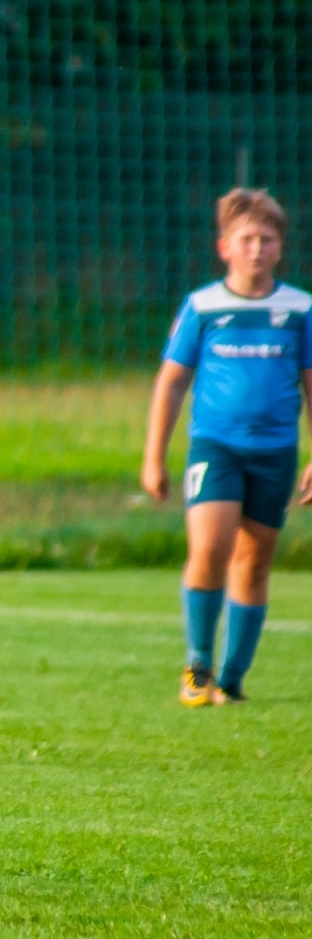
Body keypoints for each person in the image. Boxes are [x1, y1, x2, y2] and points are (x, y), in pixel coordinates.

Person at [142, 187, 312, 706]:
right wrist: (154, 455)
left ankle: (233, 677)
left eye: (267, 239)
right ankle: (197, 664)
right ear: (225, 248)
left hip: (276, 450)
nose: (257, 249)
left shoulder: (299, 308)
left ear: (280, 247)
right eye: (247, 239)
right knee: (210, 549)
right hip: (215, 446)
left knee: (256, 560)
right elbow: (171, 382)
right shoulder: (204, 306)